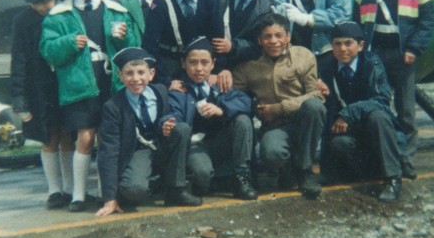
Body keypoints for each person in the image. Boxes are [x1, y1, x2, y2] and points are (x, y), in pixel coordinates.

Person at [40, 0, 137, 212]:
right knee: (85, 137)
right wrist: (69, 43)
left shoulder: (116, 10)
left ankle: (106, 193)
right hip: (81, 86)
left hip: (111, 85)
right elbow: (48, 50)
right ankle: (78, 195)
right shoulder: (58, 16)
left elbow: (133, 51)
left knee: (108, 139)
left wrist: (122, 38)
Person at [353, 0, 434, 179]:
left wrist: (413, 49)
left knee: (406, 110)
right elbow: (357, 16)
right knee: (377, 105)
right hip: (375, 53)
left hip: (401, 55)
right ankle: (380, 160)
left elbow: (427, 21)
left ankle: (406, 160)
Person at [96, 47, 202, 217]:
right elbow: (108, 151)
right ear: (120, 76)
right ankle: (149, 183)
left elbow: (170, 113)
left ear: (151, 74)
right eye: (129, 73)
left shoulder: (160, 91)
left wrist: (166, 125)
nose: (136, 79)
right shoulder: (113, 107)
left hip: (161, 145)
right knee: (134, 191)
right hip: (139, 150)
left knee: (181, 128)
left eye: (141, 72)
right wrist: (109, 198)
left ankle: (176, 190)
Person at [233, 14, 326, 199]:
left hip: (303, 121)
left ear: (288, 37)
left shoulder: (303, 56)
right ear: (259, 40)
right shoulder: (249, 65)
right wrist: (223, 74)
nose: (274, 41)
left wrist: (279, 108)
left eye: (279, 35)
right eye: (267, 37)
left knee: (314, 107)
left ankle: (305, 171)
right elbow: (233, 91)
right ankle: (289, 170)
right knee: (271, 152)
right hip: (275, 126)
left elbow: (317, 95)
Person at [318, 22, 405, 202]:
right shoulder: (326, 67)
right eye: (337, 43)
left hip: (375, 131)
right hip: (350, 134)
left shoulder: (372, 64)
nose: (342, 49)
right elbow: (328, 111)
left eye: (348, 43)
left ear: (361, 45)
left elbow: (381, 100)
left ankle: (393, 178)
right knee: (339, 143)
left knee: (378, 117)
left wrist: (349, 113)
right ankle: (359, 173)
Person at [10, 0, 74, 209]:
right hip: (39, 87)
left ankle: (71, 188)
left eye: (48, 0)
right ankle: (54, 189)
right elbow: (18, 60)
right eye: (37, 2)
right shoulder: (23, 21)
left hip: (66, 83)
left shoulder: (67, 13)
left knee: (68, 134)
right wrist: (18, 99)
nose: (44, 6)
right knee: (49, 136)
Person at [165, 37, 257, 201]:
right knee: (203, 176)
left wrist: (221, 110)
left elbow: (246, 102)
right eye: (193, 63)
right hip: (195, 146)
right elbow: (176, 118)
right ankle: (201, 179)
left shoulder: (218, 85)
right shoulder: (179, 89)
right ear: (183, 63)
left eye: (204, 63)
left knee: (242, 120)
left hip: (219, 143)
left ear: (213, 64)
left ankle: (242, 178)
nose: (199, 68)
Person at [142, 0, 224, 86]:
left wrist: (217, 69)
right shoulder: (161, 1)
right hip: (170, 63)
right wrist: (166, 81)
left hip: (201, 65)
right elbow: (150, 46)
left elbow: (217, 37)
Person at [212, 0, 275, 74]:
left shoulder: (266, 7)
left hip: (244, 65)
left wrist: (233, 46)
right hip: (212, 60)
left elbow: (258, 46)